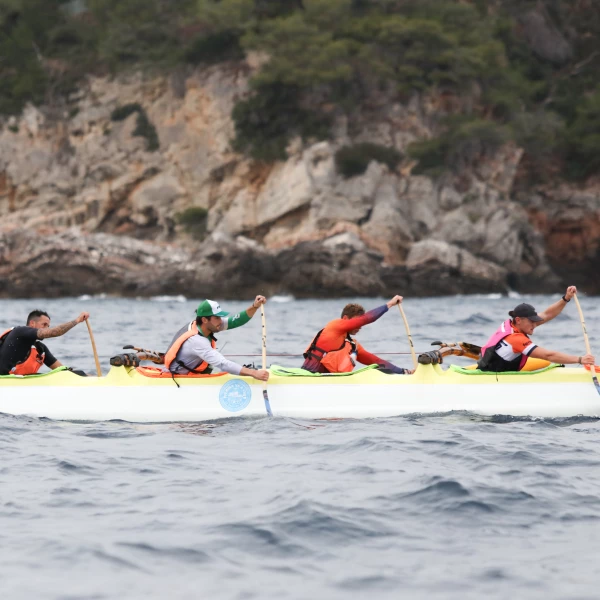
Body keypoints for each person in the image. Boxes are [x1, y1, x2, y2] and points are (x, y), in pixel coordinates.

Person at [477, 286, 595, 372]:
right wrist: (580, 359)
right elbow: (548, 355)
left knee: (545, 363)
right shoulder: (516, 339)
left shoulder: (510, 324)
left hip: (490, 363)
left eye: (535, 321)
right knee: (547, 360)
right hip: (494, 377)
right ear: (518, 320)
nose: (535, 325)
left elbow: (547, 314)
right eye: (531, 321)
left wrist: (566, 298)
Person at [164, 296, 269, 381]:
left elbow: (236, 321)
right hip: (178, 380)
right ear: (205, 320)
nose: (221, 321)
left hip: (190, 375)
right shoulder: (196, 340)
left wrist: (254, 306)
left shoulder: (203, 325)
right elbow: (222, 364)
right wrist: (254, 373)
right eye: (217, 318)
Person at [302, 296, 413, 374]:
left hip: (332, 382)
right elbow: (367, 319)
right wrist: (390, 304)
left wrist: (404, 372)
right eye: (357, 322)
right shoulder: (334, 326)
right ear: (345, 319)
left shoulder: (353, 346)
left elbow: (377, 362)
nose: (360, 326)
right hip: (310, 375)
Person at [0, 310, 90, 376]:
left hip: (21, 384)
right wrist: (77, 320)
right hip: (5, 382)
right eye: (44, 325)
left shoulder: (40, 349)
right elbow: (55, 332)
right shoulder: (19, 332)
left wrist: (85, 376)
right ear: (32, 323)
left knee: (82, 374)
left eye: (48, 326)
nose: (47, 328)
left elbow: (63, 371)